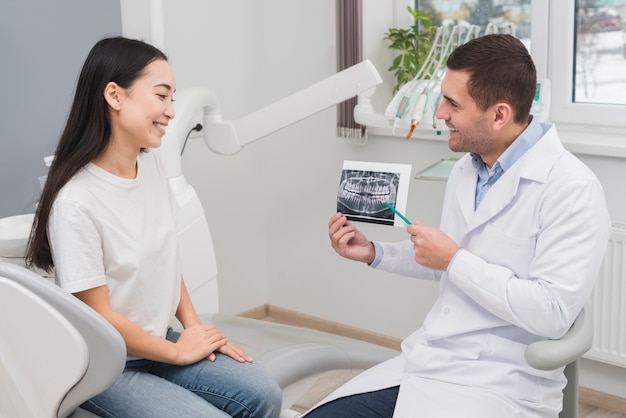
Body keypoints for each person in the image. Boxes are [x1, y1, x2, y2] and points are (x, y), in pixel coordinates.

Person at [306, 34, 611, 418]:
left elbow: (551, 313)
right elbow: (446, 264)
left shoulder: (571, 188)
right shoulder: (469, 169)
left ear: (499, 115)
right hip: (432, 361)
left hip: (503, 381)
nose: (439, 113)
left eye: (452, 103)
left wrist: (454, 259)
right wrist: (374, 252)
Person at [25, 36, 282, 418]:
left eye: (172, 99)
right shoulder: (76, 201)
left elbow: (166, 262)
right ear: (115, 96)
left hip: (155, 343)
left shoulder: (152, 168)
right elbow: (101, 320)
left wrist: (196, 332)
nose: (171, 112)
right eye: (162, 96)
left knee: (264, 394)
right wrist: (178, 351)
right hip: (105, 364)